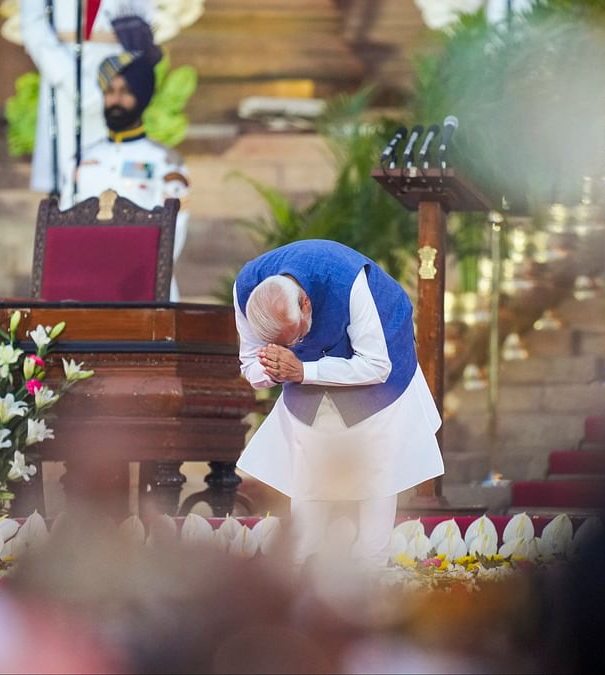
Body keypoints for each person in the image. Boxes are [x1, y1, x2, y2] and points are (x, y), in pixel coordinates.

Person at [233, 240, 445, 567]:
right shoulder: (246, 288)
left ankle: (372, 567)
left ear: (305, 303)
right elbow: (250, 365)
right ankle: (300, 565)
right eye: (283, 343)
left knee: (377, 466)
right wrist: (273, 370)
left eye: (295, 337)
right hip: (302, 376)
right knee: (308, 471)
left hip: (381, 368)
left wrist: (304, 369)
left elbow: (377, 365)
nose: (296, 345)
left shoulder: (348, 281)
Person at [73, 14, 190, 300]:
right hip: (86, 288)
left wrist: (131, 273)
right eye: (110, 91)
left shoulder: (166, 162)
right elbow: (67, 220)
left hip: (146, 290)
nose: (115, 100)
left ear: (141, 96)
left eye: (125, 92)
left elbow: (175, 230)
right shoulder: (82, 159)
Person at [20, 0, 153, 205]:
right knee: (68, 191)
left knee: (124, 185)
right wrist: (71, 80)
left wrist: (126, 81)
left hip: (119, 75)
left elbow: (145, 18)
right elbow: (32, 24)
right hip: (63, 76)